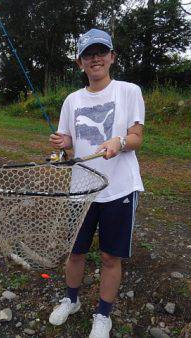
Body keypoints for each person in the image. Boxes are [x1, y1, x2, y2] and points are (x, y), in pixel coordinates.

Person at [48, 28, 145, 338]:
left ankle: (103, 315)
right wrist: (63, 145)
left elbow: (137, 137)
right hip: (81, 190)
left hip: (119, 188)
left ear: (112, 57)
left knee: (109, 256)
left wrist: (118, 142)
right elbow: (72, 150)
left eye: (101, 52)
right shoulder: (71, 100)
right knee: (75, 252)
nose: (96, 58)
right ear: (80, 63)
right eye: (89, 54)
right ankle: (71, 300)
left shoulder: (129, 91)